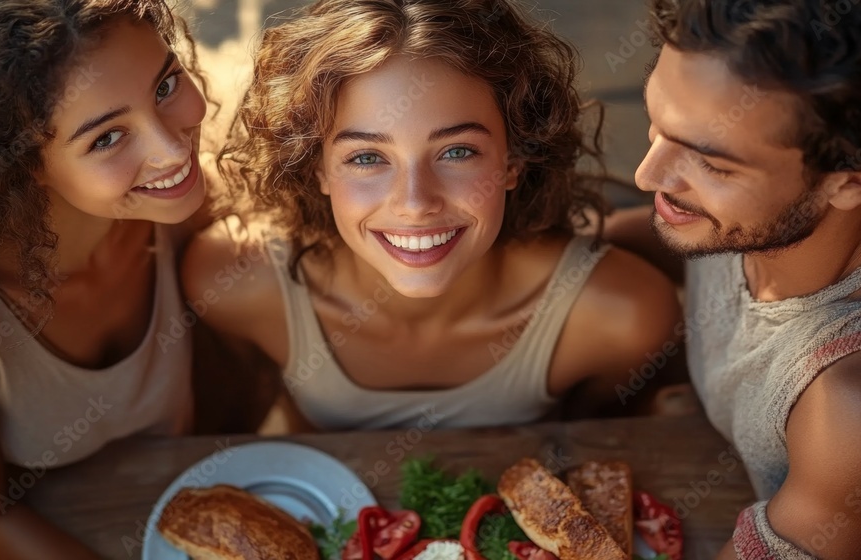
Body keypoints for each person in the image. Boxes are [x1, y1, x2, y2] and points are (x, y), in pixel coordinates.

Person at [184, 0, 683, 433]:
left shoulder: (620, 315)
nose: (416, 202)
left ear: (513, 162)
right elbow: (223, 446)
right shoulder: (233, 282)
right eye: (366, 158)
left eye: (457, 152)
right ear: (317, 170)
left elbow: (612, 458)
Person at [604, 0, 861, 557]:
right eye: (657, 123)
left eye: (713, 164)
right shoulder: (751, 220)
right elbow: (645, 237)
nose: (649, 174)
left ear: (851, 183)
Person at [0, 1, 211, 558]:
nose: (172, 148)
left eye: (164, 87)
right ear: (18, 164)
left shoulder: (177, 217)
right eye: (106, 138)